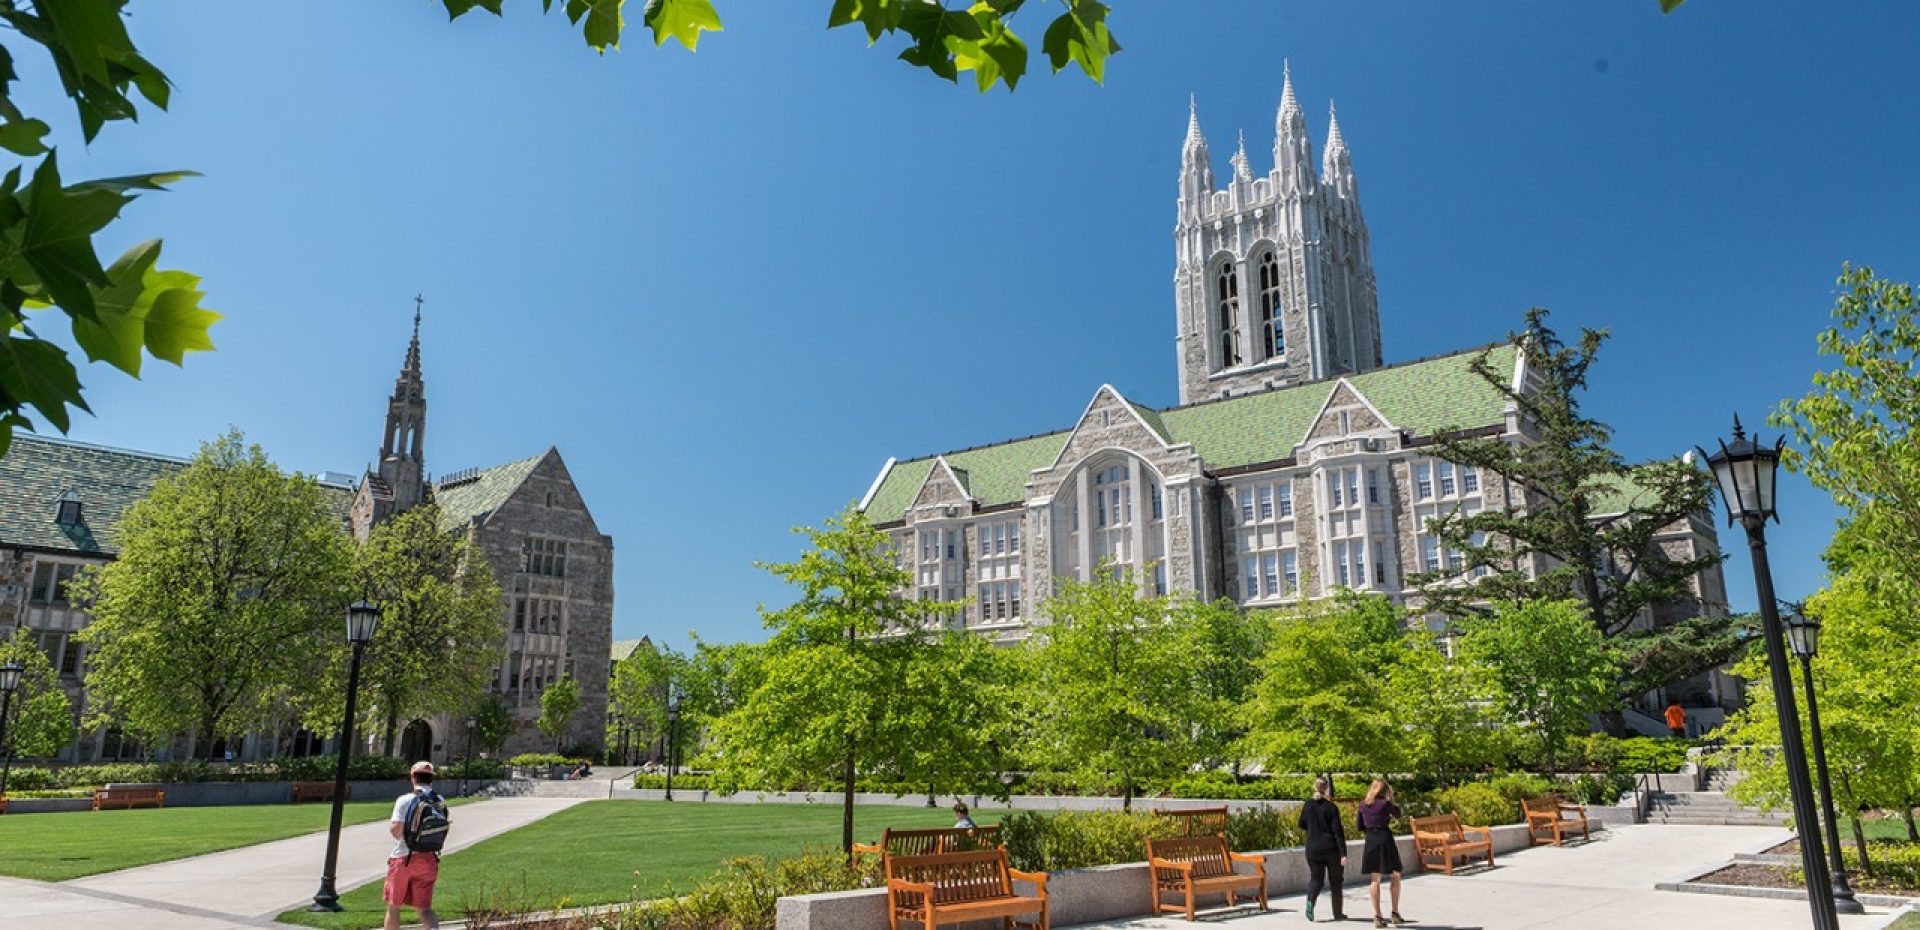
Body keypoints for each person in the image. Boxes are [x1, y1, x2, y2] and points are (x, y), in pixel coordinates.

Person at [385, 762, 447, 930]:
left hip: (404, 857)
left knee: (394, 906)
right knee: (424, 908)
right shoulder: (439, 800)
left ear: (413, 778)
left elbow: (396, 829)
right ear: (431, 779)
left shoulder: (405, 800)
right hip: (429, 858)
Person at [1356, 778, 1407, 928]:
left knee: (1374, 878)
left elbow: (1360, 826)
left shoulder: (1363, 805)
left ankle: (1377, 916)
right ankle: (1395, 912)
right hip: (1385, 839)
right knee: (1396, 873)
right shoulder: (1385, 804)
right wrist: (1391, 799)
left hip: (1371, 839)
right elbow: (1398, 814)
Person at [1297, 776, 1347, 923]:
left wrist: (1313, 829)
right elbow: (1338, 832)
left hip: (1313, 848)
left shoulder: (1308, 805)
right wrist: (1343, 853)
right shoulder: (1331, 808)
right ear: (1327, 789)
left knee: (1316, 878)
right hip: (1331, 849)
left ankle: (1310, 903)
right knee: (1336, 881)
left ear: (1315, 787)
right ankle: (1337, 913)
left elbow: (1301, 823)